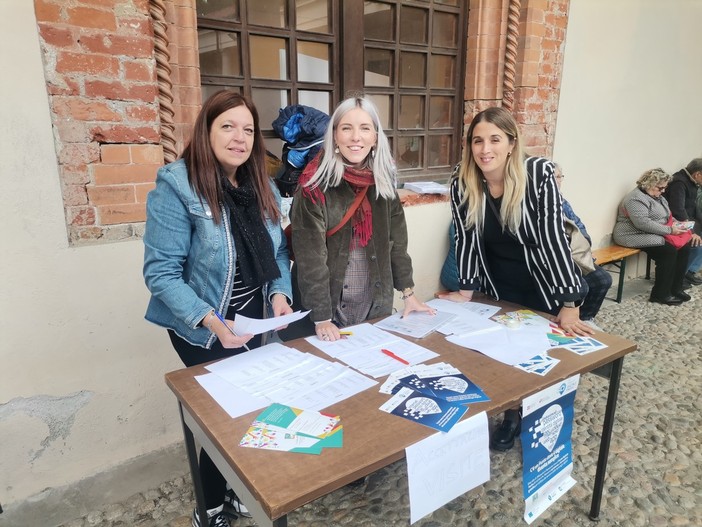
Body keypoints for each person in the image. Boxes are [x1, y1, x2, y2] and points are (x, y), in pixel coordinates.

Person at [143, 90, 293, 527]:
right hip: (205, 326)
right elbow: (161, 273)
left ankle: (232, 489)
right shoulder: (176, 184)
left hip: (253, 319)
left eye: (248, 129)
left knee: (249, 413)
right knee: (221, 421)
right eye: (227, 126)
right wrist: (212, 321)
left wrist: (279, 295)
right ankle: (207, 508)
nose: (239, 137)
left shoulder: (259, 184)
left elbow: (279, 253)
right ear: (206, 131)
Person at [439, 106, 592, 452]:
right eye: (477, 141)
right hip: (498, 287)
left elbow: (554, 237)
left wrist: (570, 302)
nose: (485, 149)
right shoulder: (462, 180)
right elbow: (464, 237)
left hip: (542, 282)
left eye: (495, 139)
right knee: (504, 355)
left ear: (511, 143)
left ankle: (541, 413)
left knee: (540, 354)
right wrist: (465, 290)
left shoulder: (537, 173)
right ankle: (511, 414)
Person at [291, 95, 435, 343]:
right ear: (335, 135)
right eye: (347, 128)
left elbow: (396, 244)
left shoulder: (383, 182)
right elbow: (311, 260)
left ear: (375, 137)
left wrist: (408, 294)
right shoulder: (313, 186)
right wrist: (322, 317)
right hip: (327, 311)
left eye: (365, 128)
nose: (356, 137)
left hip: (373, 304)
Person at [612, 168, 691, 305]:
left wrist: (679, 225)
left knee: (684, 245)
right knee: (668, 251)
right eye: (660, 188)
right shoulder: (635, 198)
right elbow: (642, 223)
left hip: (651, 232)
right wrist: (670, 230)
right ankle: (660, 294)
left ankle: (675, 288)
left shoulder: (657, 196)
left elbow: (666, 216)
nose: (663, 191)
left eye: (664, 188)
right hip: (631, 234)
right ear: (649, 184)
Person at [553, 163, 613, 323]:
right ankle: (562, 320)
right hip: (557, 259)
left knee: (603, 280)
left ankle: (585, 319)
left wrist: (584, 249)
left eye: (559, 177)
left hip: (575, 255)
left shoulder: (562, 202)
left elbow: (579, 227)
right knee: (581, 287)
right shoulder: (538, 202)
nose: (557, 181)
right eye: (553, 177)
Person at [666, 158, 702, 287]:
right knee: (697, 243)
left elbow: (693, 206)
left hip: (689, 220)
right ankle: (680, 276)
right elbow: (677, 210)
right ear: (697, 174)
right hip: (675, 222)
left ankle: (690, 272)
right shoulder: (679, 183)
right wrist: (691, 232)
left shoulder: (691, 182)